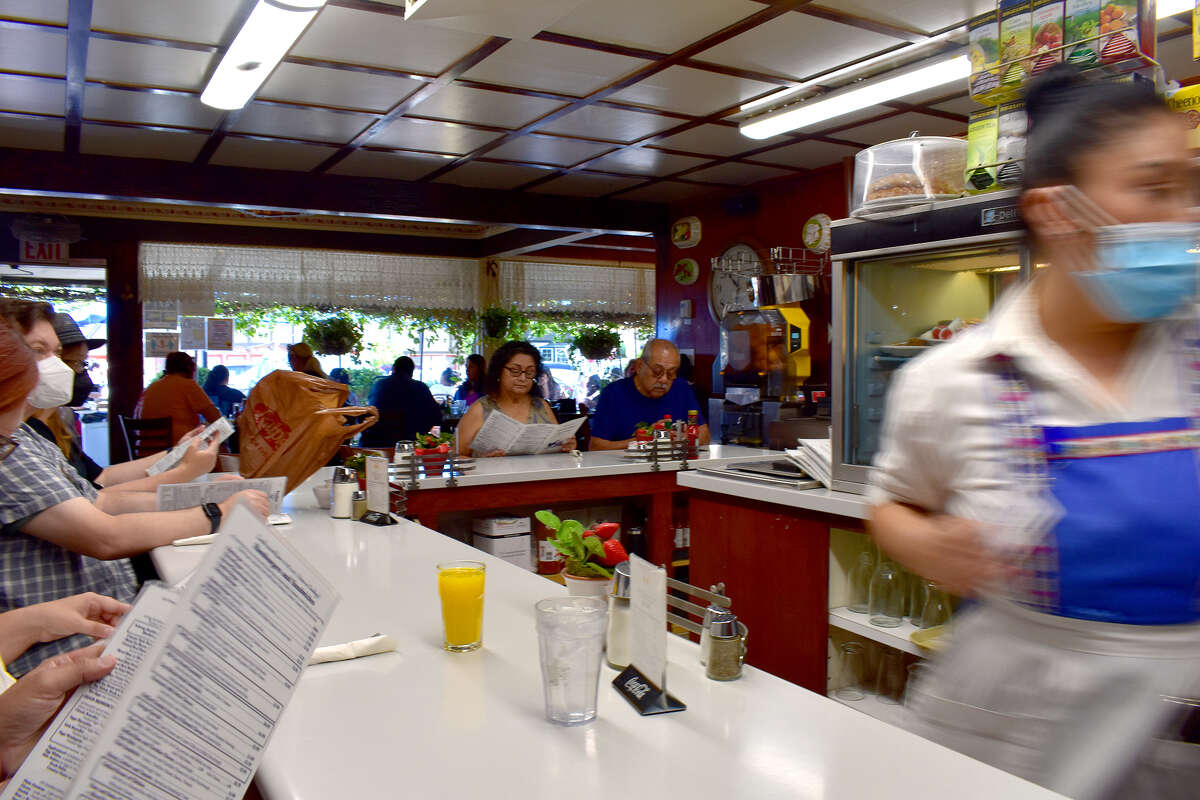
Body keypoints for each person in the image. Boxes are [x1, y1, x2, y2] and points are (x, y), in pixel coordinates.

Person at [869, 67, 1200, 798]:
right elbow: (890, 504)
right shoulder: (957, 377)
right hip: (1018, 738)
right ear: (1057, 211)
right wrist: (929, 546)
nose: (1185, 216)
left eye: (1190, 187)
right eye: (1155, 189)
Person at [0, 316, 269, 675]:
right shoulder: (11, 448)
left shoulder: (27, 436)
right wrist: (215, 510)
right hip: (73, 647)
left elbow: (99, 495)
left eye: (63, 357)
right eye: (39, 353)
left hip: (95, 621)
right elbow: (104, 530)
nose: (58, 367)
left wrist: (187, 478)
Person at [455, 341, 571, 457]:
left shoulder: (541, 406)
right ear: (499, 371)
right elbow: (454, 456)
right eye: (515, 371)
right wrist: (483, 463)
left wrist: (565, 445)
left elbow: (556, 448)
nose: (523, 378)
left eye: (530, 372)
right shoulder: (481, 409)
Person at [589, 339, 710, 450]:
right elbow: (596, 447)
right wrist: (646, 439)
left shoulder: (681, 389)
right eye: (657, 372)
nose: (663, 380)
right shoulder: (614, 393)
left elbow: (705, 435)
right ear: (639, 366)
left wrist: (685, 438)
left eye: (671, 373)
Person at [137, 352, 220, 445]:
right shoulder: (187, 385)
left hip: (147, 453)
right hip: (177, 452)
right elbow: (216, 418)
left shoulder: (151, 388)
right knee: (218, 440)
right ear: (190, 369)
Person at [361, 356, 441, 447]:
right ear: (412, 371)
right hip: (410, 443)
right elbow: (437, 416)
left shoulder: (379, 385)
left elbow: (371, 409)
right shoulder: (420, 387)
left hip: (375, 442)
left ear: (393, 368)